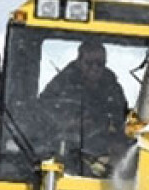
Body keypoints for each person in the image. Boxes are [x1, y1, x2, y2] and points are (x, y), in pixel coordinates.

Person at [38, 40, 131, 173]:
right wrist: (69, 122)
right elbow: (42, 111)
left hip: (103, 150)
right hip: (66, 146)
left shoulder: (112, 87)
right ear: (79, 62)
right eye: (89, 63)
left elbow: (122, 118)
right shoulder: (61, 85)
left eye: (100, 64)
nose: (94, 68)